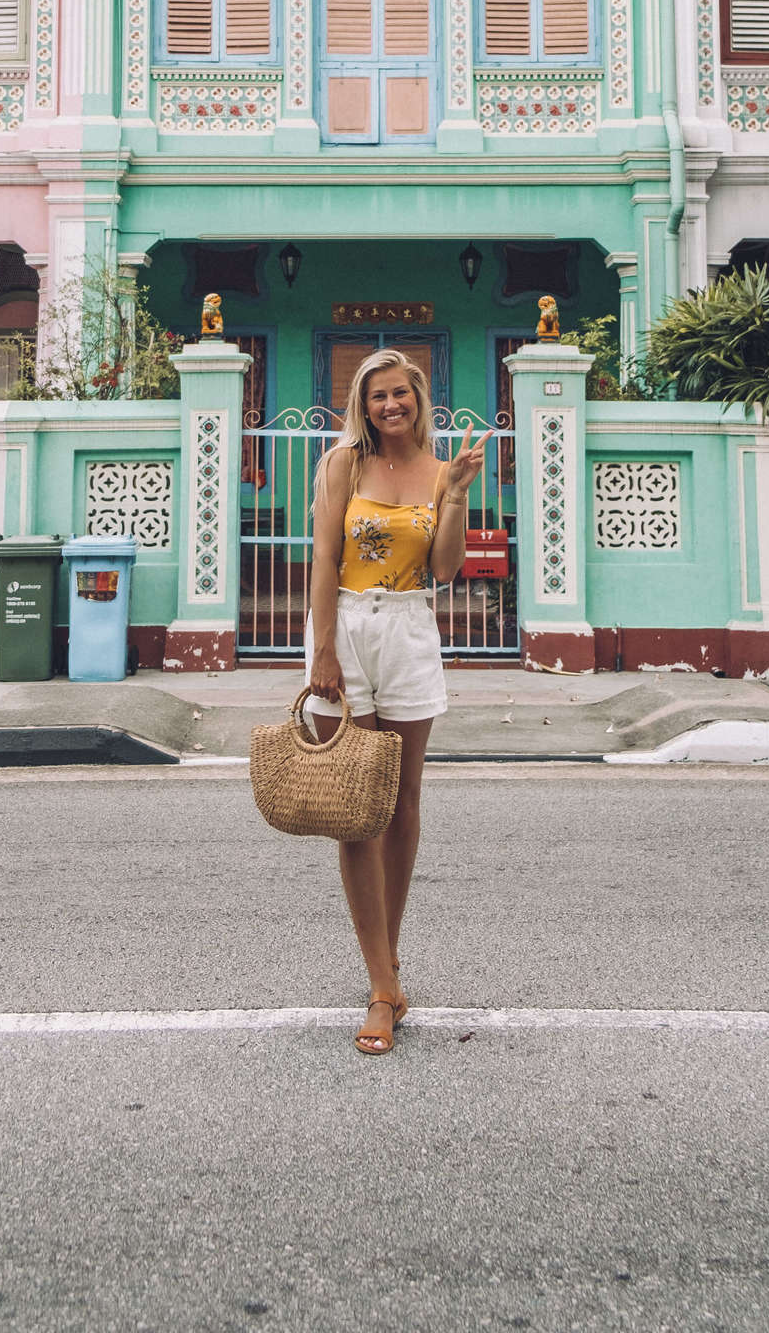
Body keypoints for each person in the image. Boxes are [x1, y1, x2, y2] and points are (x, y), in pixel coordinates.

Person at [306, 348, 489, 1055]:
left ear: (419, 401)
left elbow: (444, 568)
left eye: (401, 396)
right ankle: (382, 985)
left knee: (402, 801)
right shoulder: (339, 465)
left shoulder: (442, 470)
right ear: (364, 402)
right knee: (357, 810)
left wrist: (458, 494)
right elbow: (323, 557)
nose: (390, 406)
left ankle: (387, 963)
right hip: (346, 629)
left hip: (411, 630)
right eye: (378, 396)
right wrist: (322, 649)